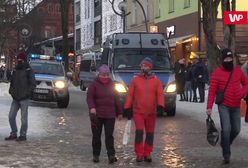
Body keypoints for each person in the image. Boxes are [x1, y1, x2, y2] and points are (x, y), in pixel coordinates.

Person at [206, 48, 248, 164]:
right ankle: (226, 154)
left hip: (236, 106)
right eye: (226, 58)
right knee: (226, 129)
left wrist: (242, 92)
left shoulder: (238, 71)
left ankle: (225, 143)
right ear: (223, 60)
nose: (228, 60)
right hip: (224, 105)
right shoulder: (217, 73)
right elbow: (212, 91)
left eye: (230, 58)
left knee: (236, 129)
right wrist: (209, 107)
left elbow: (246, 83)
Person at [124, 57, 164, 162]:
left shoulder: (157, 81)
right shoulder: (135, 80)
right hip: (138, 112)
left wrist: (160, 105)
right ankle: (139, 153)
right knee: (139, 132)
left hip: (151, 112)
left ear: (150, 67)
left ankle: (148, 153)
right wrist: (127, 107)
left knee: (150, 133)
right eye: (142, 66)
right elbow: (130, 95)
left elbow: (160, 94)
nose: (143, 67)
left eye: (145, 66)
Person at [86, 64, 123, 164]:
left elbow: (116, 99)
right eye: (103, 75)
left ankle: (111, 155)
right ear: (99, 74)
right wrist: (92, 108)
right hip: (97, 115)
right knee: (96, 136)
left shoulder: (112, 84)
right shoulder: (94, 84)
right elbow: (90, 98)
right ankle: (96, 155)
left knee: (109, 136)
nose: (106, 77)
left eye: (107, 75)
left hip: (110, 115)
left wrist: (120, 112)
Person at [5, 52, 36, 141]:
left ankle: (23, 135)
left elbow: (33, 84)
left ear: (24, 60)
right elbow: (12, 82)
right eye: (18, 59)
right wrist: (11, 91)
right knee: (11, 116)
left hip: (24, 98)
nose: (19, 61)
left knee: (24, 119)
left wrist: (27, 93)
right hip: (15, 98)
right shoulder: (15, 69)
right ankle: (14, 133)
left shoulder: (28, 70)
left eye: (20, 60)